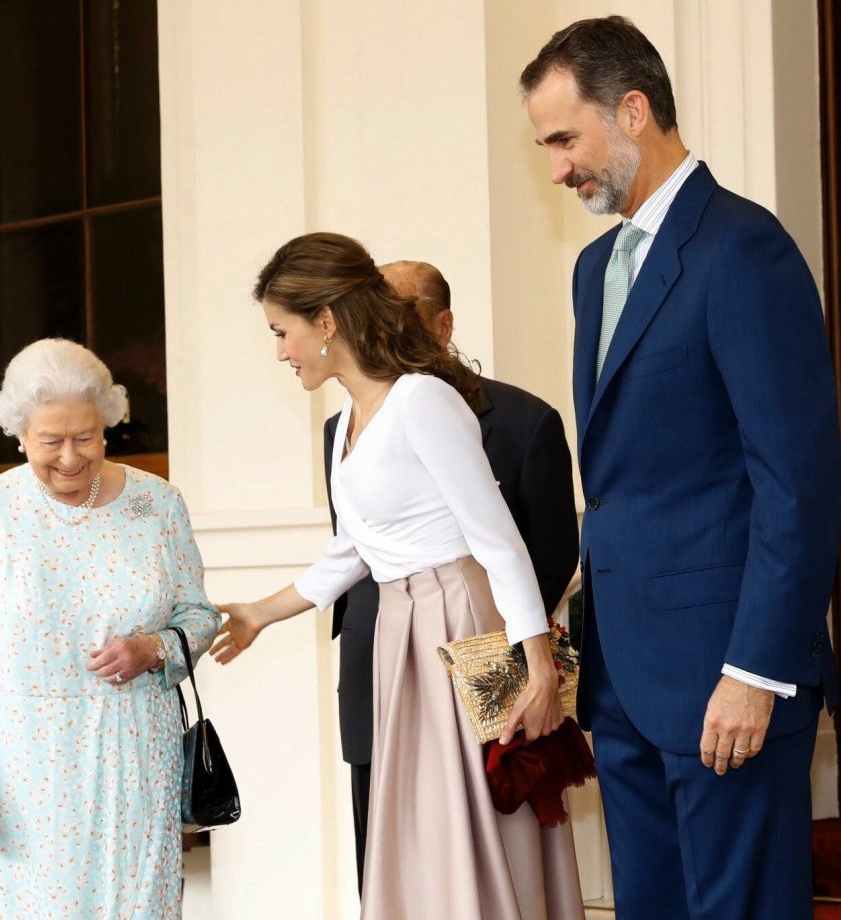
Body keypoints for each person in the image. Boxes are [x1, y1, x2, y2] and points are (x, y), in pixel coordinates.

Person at [520, 16, 841, 920]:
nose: (556, 168)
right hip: (623, 681)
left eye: (563, 140)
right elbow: (626, 478)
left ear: (632, 110)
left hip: (724, 682)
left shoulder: (744, 247)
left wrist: (758, 671)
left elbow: (797, 483)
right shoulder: (594, 268)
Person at [212, 232, 585, 920]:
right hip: (401, 629)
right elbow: (354, 550)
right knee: (423, 828)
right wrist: (261, 612)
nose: (280, 352)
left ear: (326, 321)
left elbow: (497, 539)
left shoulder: (422, 400)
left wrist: (539, 671)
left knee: (485, 820)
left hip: (462, 620)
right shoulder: (348, 418)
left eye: (282, 331)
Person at [0, 338, 221, 918]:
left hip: (139, 749)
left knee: (137, 902)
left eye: (85, 437)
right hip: (30, 764)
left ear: (108, 425)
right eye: (50, 441)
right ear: (19, 435)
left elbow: (199, 617)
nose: (69, 457)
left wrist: (154, 647)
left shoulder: (158, 504)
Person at [322, 259, 579, 892]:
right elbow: (355, 546)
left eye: (404, 314)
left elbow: (546, 556)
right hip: (377, 666)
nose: (386, 328)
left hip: (482, 667)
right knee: (389, 867)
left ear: (443, 324)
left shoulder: (526, 422)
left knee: (498, 863)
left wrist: (514, 660)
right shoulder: (340, 425)